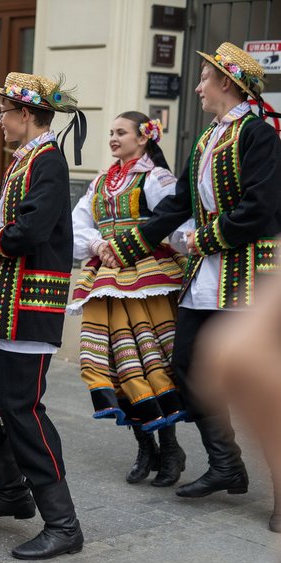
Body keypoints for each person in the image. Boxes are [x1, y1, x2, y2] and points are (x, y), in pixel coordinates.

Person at [103, 43, 281, 513]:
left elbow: (261, 208)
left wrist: (207, 239)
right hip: (209, 275)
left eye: (204, 79)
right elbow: (178, 204)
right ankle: (226, 462)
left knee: (253, 378)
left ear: (226, 82)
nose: (198, 87)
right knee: (188, 366)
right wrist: (125, 247)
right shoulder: (206, 139)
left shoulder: (258, 135)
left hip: (250, 273)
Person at [0, 72, 87, 561]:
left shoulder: (47, 162)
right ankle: (11, 487)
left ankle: (63, 523)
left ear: (26, 114)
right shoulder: (25, 160)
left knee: (22, 411)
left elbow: (27, 229)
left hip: (27, 306)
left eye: (4, 112)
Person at [69, 111, 187, 487]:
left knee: (151, 359)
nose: (114, 138)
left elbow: (177, 222)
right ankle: (144, 444)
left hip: (145, 276)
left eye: (122, 132)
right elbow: (77, 224)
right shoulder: (102, 181)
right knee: (112, 363)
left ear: (144, 138)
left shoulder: (156, 178)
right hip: (106, 279)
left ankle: (169, 447)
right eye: (111, 132)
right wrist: (97, 242)